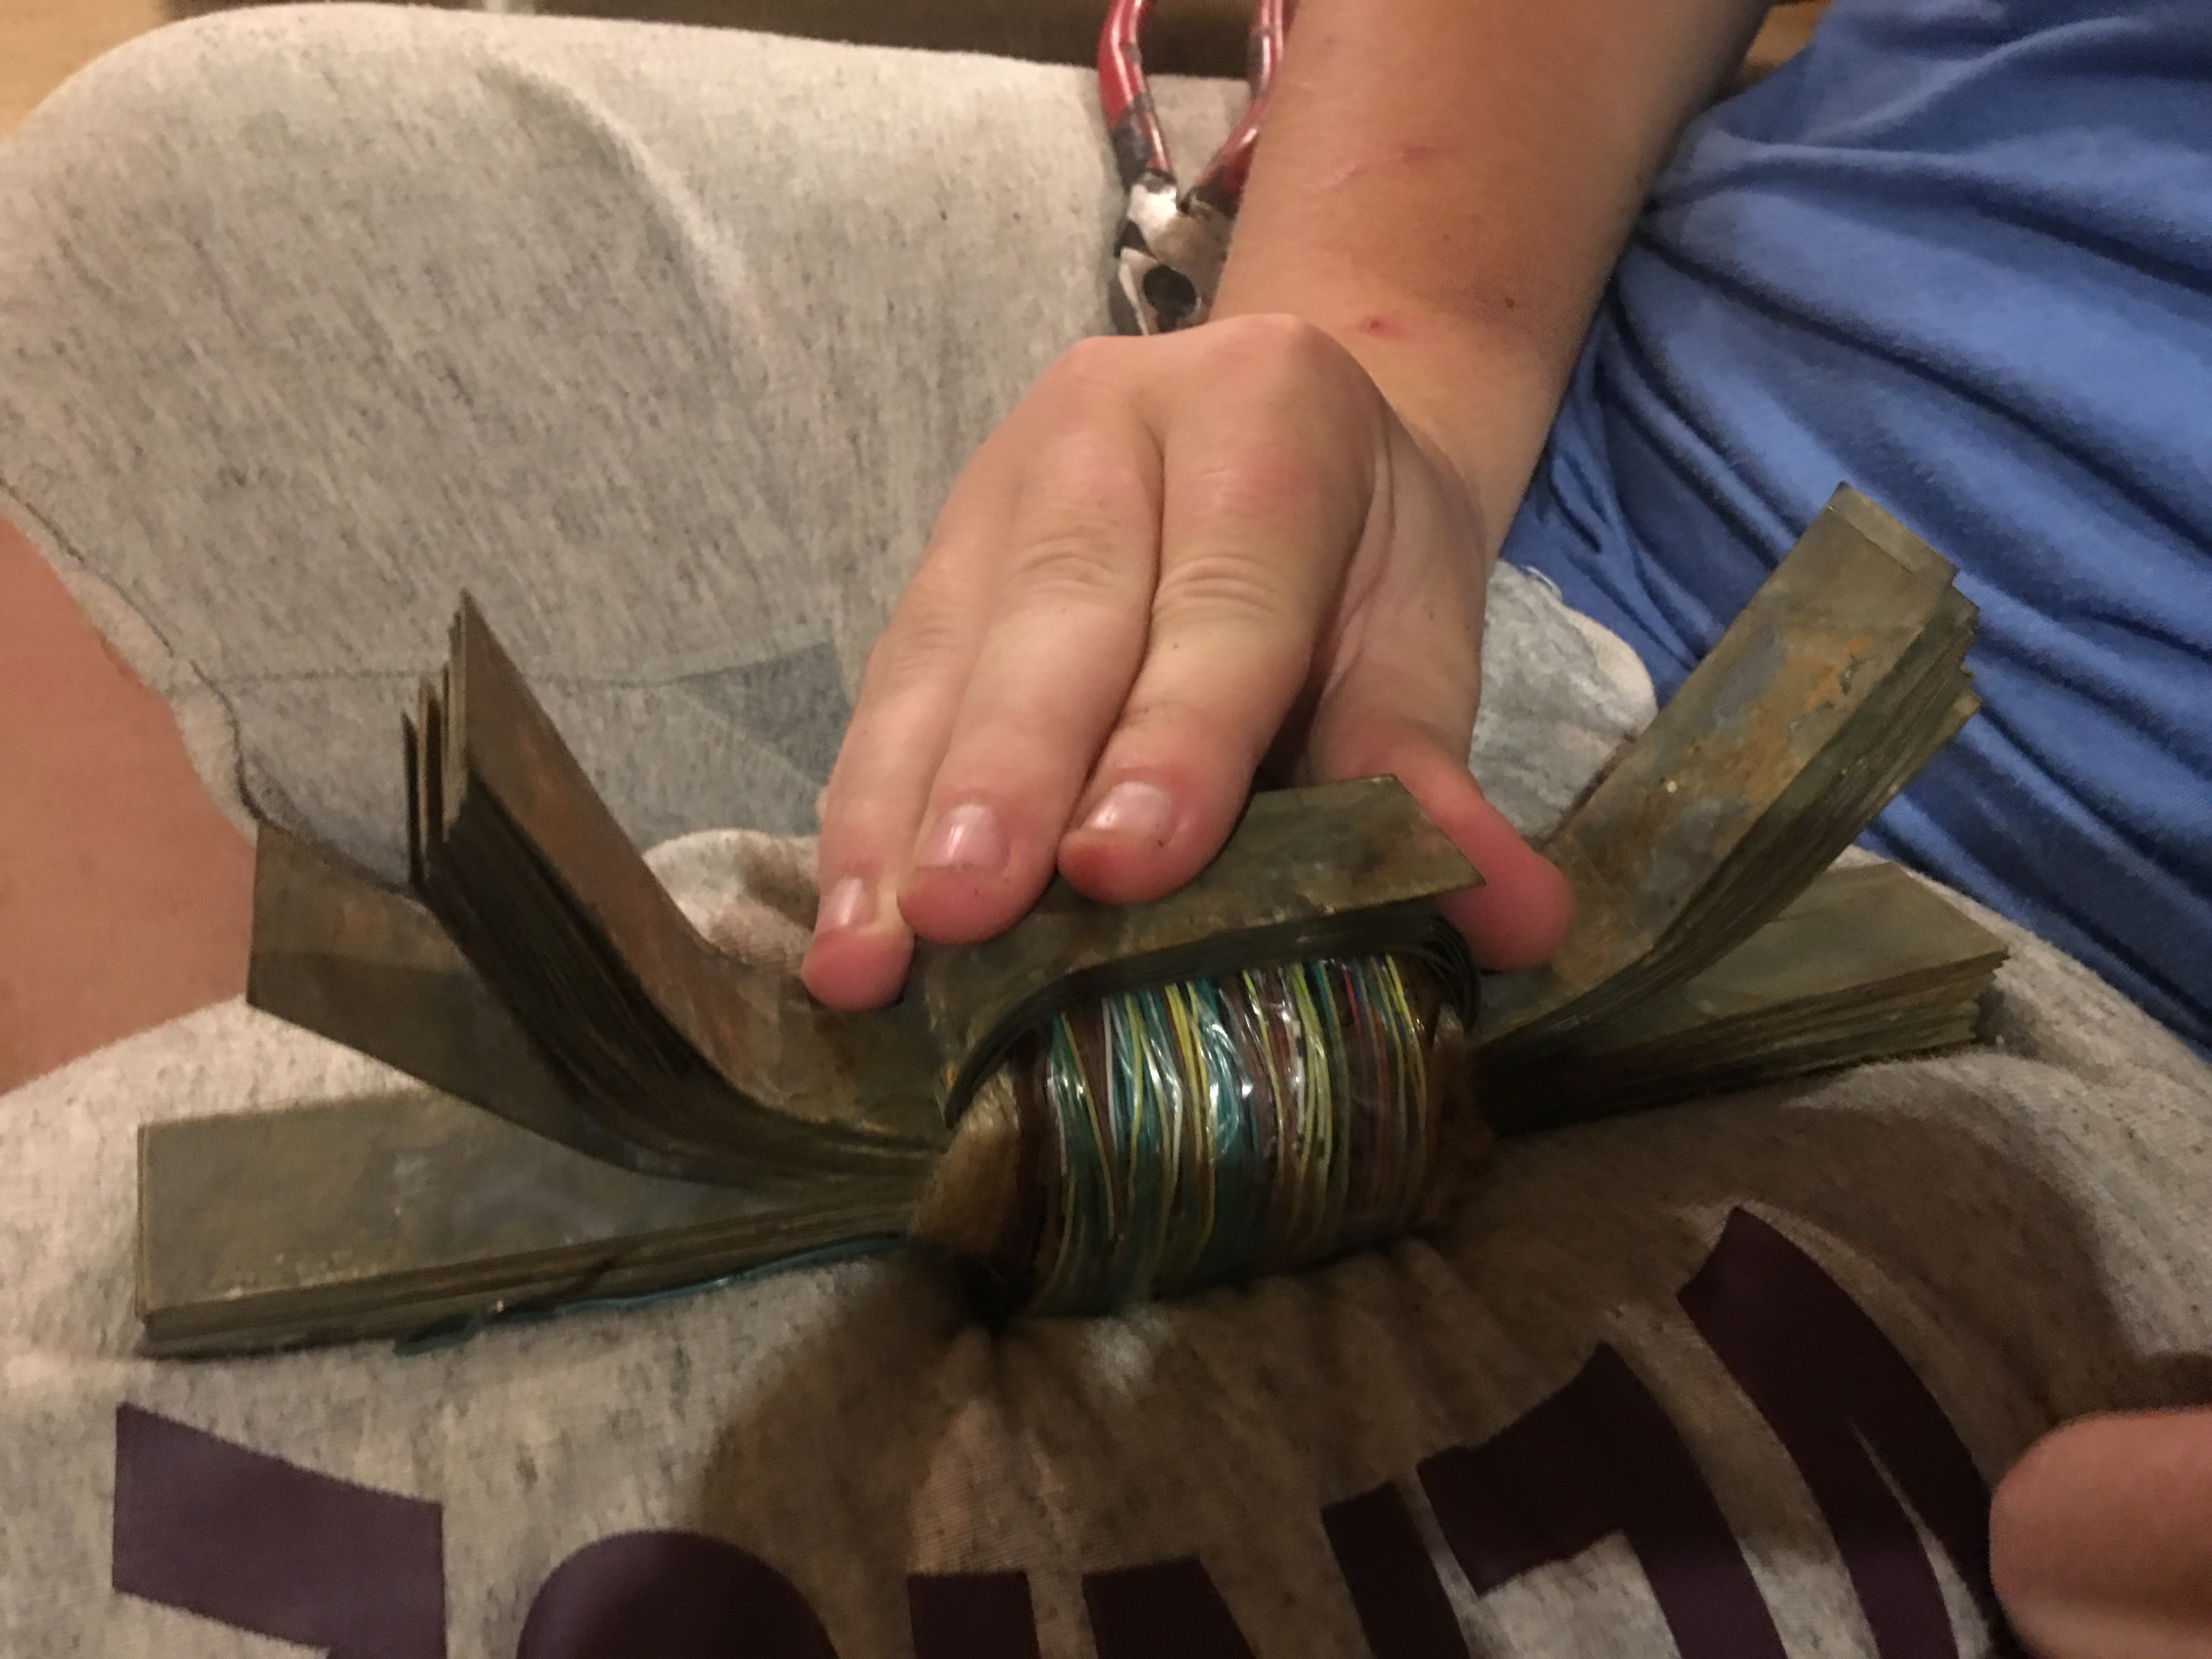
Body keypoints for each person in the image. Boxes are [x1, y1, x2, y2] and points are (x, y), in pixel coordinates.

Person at [1, 1, 2206, 1655]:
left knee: (95, 1470)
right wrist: (1389, 350)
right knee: (162, 242)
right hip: (1585, 362)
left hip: (2064, 936)